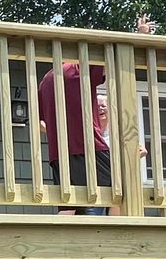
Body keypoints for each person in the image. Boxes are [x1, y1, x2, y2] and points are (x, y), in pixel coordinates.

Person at [37, 58, 111, 214]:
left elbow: (41, 123)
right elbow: (110, 62)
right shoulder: (77, 68)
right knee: (121, 188)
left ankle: (63, 237)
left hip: (59, 154)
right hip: (88, 146)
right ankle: (120, 234)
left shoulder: (46, 80)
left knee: (68, 206)